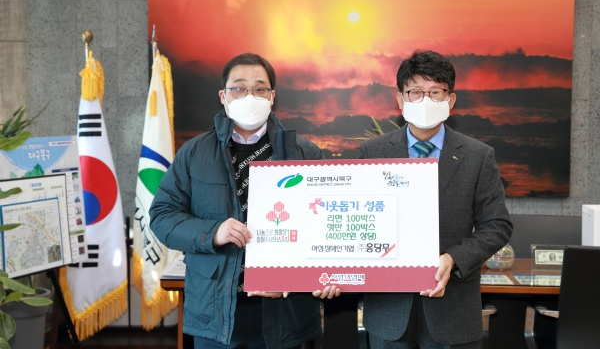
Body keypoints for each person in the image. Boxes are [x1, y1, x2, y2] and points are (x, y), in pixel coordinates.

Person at [149, 53, 339, 349]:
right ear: (223, 96)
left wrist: (319, 275)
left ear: (272, 97)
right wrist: (213, 232)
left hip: (287, 315)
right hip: (216, 313)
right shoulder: (194, 153)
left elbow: (328, 226)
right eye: (239, 88)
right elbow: (162, 216)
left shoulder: (304, 153)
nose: (249, 96)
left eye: (259, 88)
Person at [359, 50, 513, 349]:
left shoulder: (478, 155)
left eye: (435, 92)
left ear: (450, 100)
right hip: (389, 312)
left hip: (453, 310)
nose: (425, 101)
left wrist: (453, 258)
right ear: (400, 99)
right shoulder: (373, 152)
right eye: (415, 92)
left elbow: (497, 225)